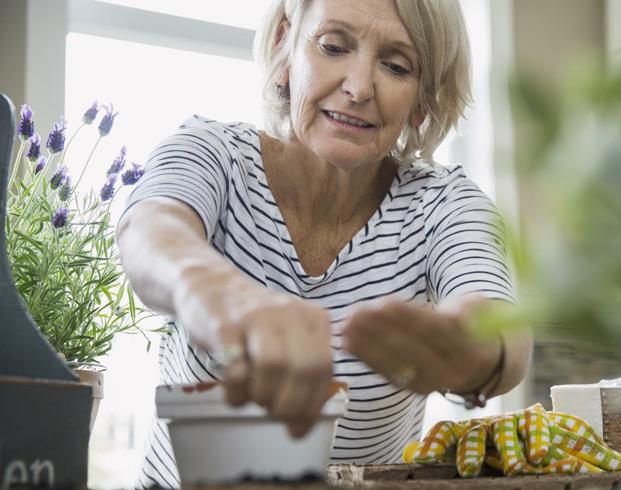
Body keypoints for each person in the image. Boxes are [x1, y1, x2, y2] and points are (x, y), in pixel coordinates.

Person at [117, 0, 532, 487]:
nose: (358, 88)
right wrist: (215, 292)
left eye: (396, 66)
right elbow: (152, 232)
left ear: (421, 99)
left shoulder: (442, 205)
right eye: (333, 46)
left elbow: (500, 327)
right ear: (284, 46)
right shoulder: (212, 155)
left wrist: (469, 351)